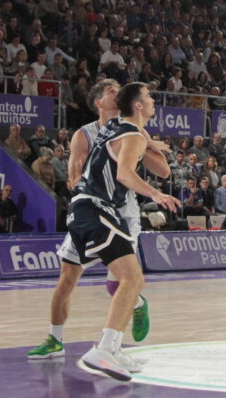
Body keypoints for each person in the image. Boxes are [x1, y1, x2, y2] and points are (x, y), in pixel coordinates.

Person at [27, 80, 168, 363]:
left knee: (120, 283)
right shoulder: (85, 134)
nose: (117, 93)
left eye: (119, 90)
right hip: (93, 206)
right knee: (69, 278)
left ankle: (114, 346)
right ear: (98, 102)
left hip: (122, 210)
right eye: (110, 91)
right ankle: (57, 340)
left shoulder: (131, 128)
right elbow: (73, 178)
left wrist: (146, 143)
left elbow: (162, 170)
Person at [57, 82, 181, 381]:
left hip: (94, 209)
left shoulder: (119, 127)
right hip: (93, 208)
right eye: (149, 97)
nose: (153, 100)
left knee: (130, 280)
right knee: (132, 279)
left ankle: (110, 350)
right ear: (138, 105)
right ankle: (103, 349)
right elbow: (125, 174)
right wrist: (155, 195)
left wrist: (152, 144)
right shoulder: (131, 133)